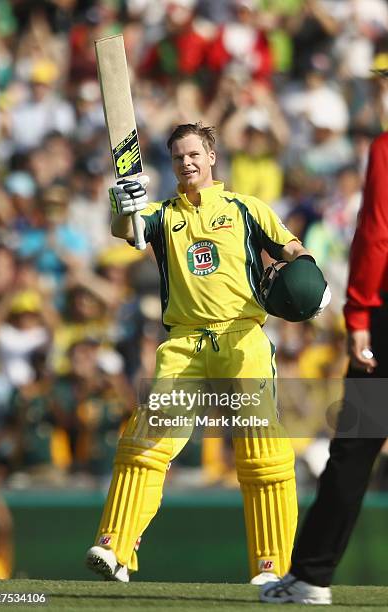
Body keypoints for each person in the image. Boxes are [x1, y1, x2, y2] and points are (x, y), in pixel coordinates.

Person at [85, 122, 326, 584]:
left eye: (194, 154)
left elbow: (292, 248)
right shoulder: (161, 214)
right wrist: (123, 205)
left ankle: (272, 567)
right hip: (183, 344)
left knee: (263, 454)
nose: (186, 163)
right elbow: (130, 232)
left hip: (241, 339)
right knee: (146, 442)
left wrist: (310, 279)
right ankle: (115, 548)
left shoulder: (245, 208)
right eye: (178, 157)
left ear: (211, 156)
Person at [260, 119, 388, 605]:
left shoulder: (386, 146)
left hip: (383, 321)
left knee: (355, 448)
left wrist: (359, 313)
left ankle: (312, 576)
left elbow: (377, 232)